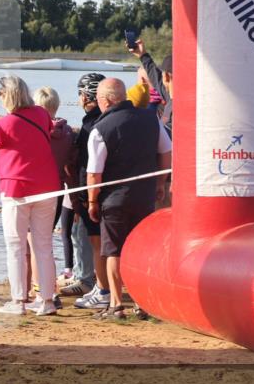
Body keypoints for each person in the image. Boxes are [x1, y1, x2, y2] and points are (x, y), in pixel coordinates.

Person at [0, 75, 60, 316]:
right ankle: (47, 301)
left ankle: (18, 301)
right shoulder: (41, 114)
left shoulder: (2, 125)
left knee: (16, 246)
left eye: (0, 95)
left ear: (6, 96)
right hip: (48, 186)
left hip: (17, 189)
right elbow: (26, 130)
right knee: (44, 245)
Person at [86, 78, 172, 320]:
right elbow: (166, 151)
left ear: (105, 100)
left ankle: (116, 304)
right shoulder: (150, 119)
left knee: (114, 250)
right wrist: (160, 184)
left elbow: (94, 172)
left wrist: (92, 202)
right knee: (139, 249)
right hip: (143, 196)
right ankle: (140, 303)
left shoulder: (100, 129)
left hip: (113, 199)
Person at [64, 74, 111, 309]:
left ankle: (102, 289)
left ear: (85, 95)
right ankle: (102, 286)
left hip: (93, 191)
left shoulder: (92, 124)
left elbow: (88, 164)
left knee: (97, 243)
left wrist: (84, 198)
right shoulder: (107, 119)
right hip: (111, 190)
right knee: (108, 244)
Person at [34, 86, 74, 295]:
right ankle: (49, 285)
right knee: (46, 240)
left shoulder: (36, 132)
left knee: (35, 242)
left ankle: (41, 287)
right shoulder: (67, 132)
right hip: (59, 190)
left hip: (38, 191)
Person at [128, 40, 173, 134]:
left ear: (166, 77)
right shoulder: (169, 94)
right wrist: (142, 54)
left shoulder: (176, 103)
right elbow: (156, 77)